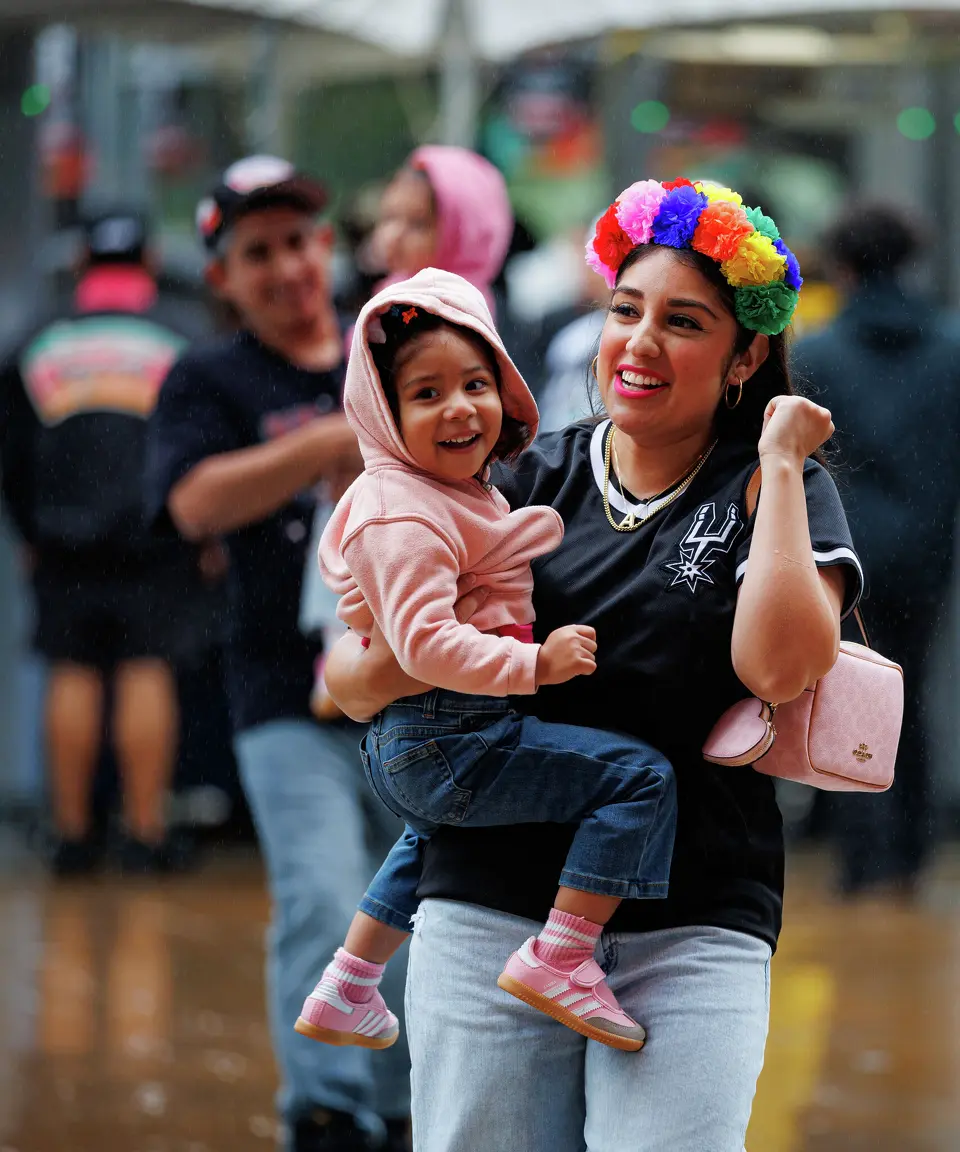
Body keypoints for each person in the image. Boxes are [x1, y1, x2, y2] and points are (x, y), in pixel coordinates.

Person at [321, 178, 864, 1151]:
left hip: (693, 918)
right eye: (625, 310)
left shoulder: (779, 491)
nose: (641, 341)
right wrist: (441, 646)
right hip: (488, 898)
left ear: (745, 356)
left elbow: (779, 669)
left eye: (684, 322)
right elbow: (350, 684)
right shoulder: (516, 478)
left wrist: (781, 466)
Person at [295, 270, 677, 1056]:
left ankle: (348, 982)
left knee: (430, 834)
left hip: (432, 736)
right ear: (385, 415)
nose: (461, 407)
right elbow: (424, 645)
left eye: (476, 383)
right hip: (448, 730)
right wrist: (534, 663)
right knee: (640, 780)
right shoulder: (402, 511)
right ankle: (561, 954)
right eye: (427, 394)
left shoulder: (451, 492)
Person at [144, 156, 411, 1152]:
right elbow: (193, 502)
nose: (288, 267)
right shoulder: (207, 379)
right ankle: (326, 1108)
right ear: (222, 275)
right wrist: (331, 442)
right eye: (258, 253)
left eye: (301, 242)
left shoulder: (388, 347)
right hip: (278, 691)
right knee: (320, 896)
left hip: (409, 689)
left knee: (419, 908)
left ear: (328, 247)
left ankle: (399, 1106)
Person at [0, 209, 210, 875]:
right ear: (147, 263)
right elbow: (204, 444)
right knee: (146, 666)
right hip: (156, 537)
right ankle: (145, 834)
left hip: (63, 538)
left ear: (82, 263)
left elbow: (11, 454)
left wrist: (29, 530)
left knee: (72, 669)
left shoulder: (36, 338)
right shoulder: (184, 336)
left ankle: (71, 837)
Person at [793, 203, 960, 896]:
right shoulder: (951, 347)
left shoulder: (817, 351)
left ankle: (863, 854)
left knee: (850, 696)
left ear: (845, 263)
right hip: (928, 551)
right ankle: (912, 855)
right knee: (913, 691)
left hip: (844, 556)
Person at [368, 145, 513, 317]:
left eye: (418, 224)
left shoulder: (449, 311)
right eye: (390, 217)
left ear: (463, 238)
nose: (393, 235)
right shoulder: (400, 289)